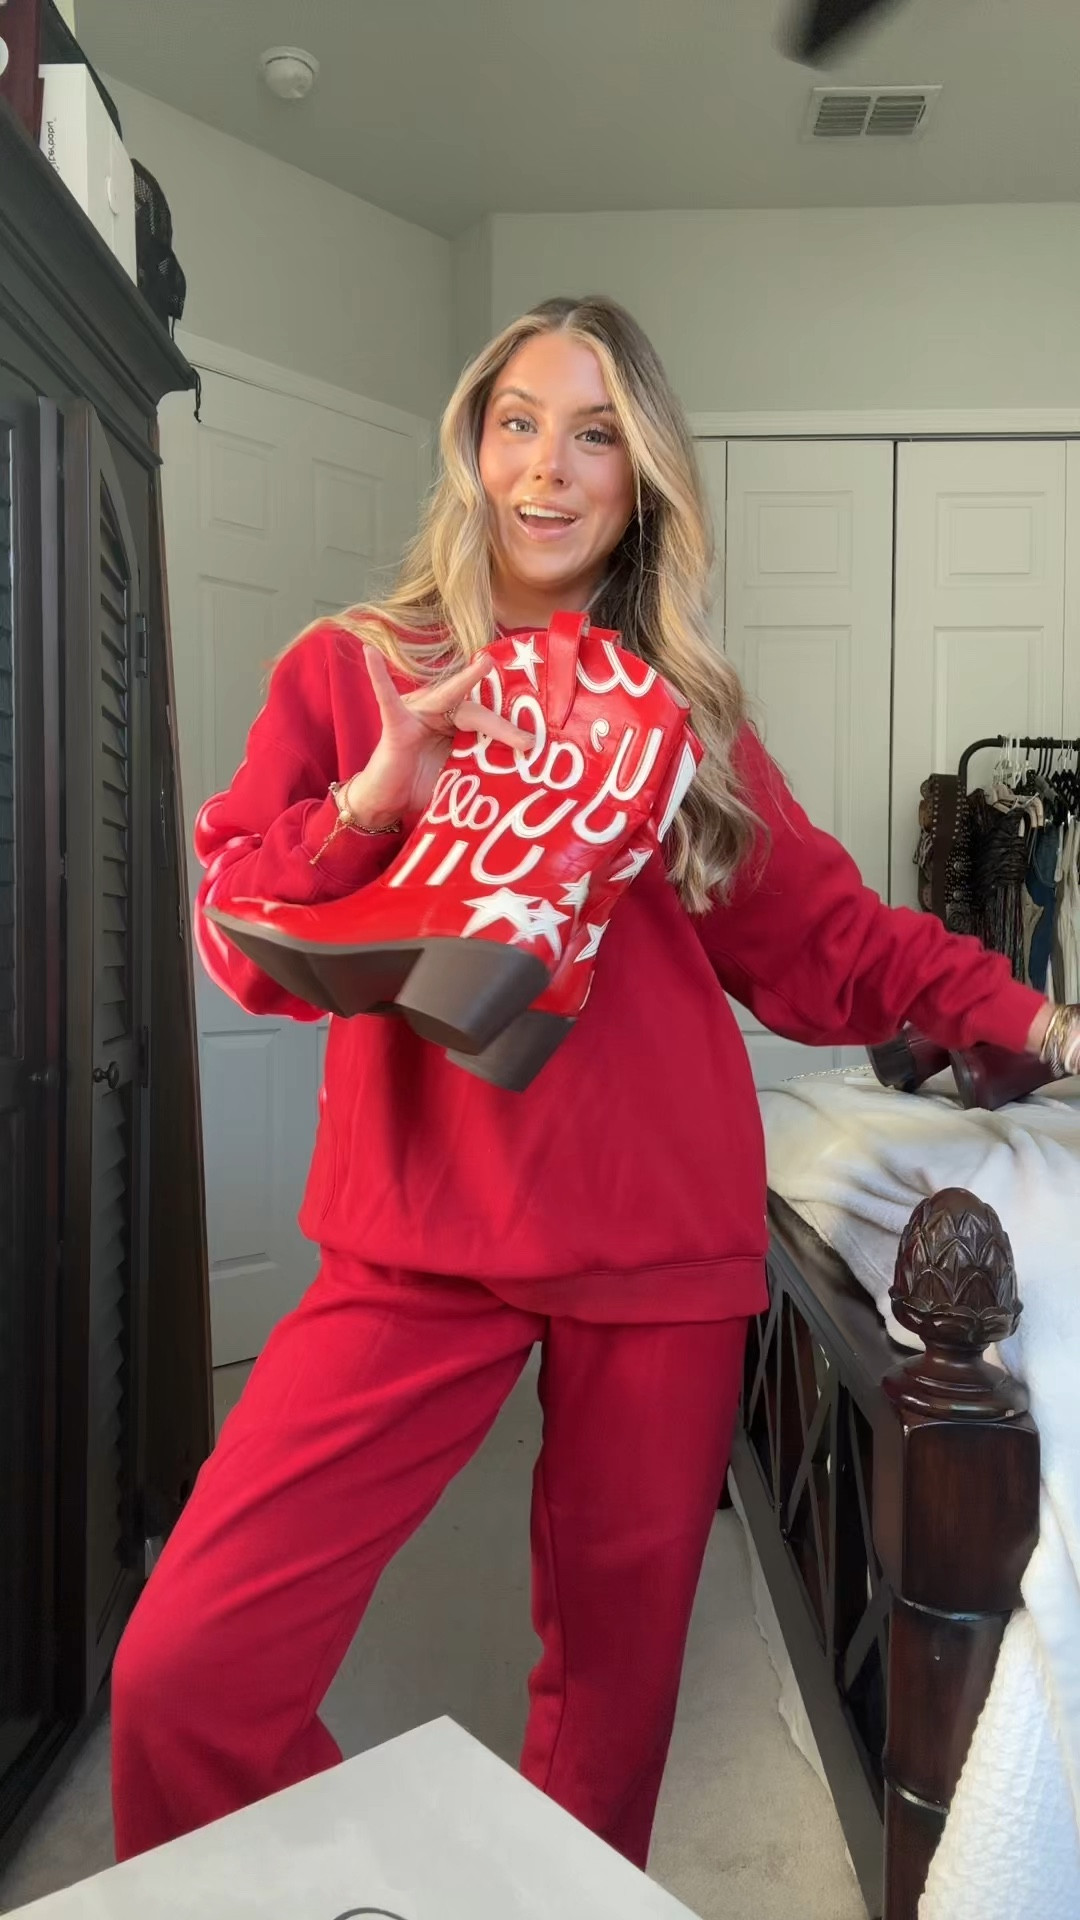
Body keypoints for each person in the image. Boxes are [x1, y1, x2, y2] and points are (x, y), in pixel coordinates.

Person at [110, 295, 1059, 1869]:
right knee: (184, 1672)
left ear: (644, 480)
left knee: (606, 1731)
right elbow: (244, 941)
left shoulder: (680, 718)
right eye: (520, 422)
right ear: (474, 449)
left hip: (662, 1256)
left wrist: (1046, 1021)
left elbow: (829, 944)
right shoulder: (360, 670)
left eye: (599, 432)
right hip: (416, 1241)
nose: (550, 469)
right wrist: (375, 798)